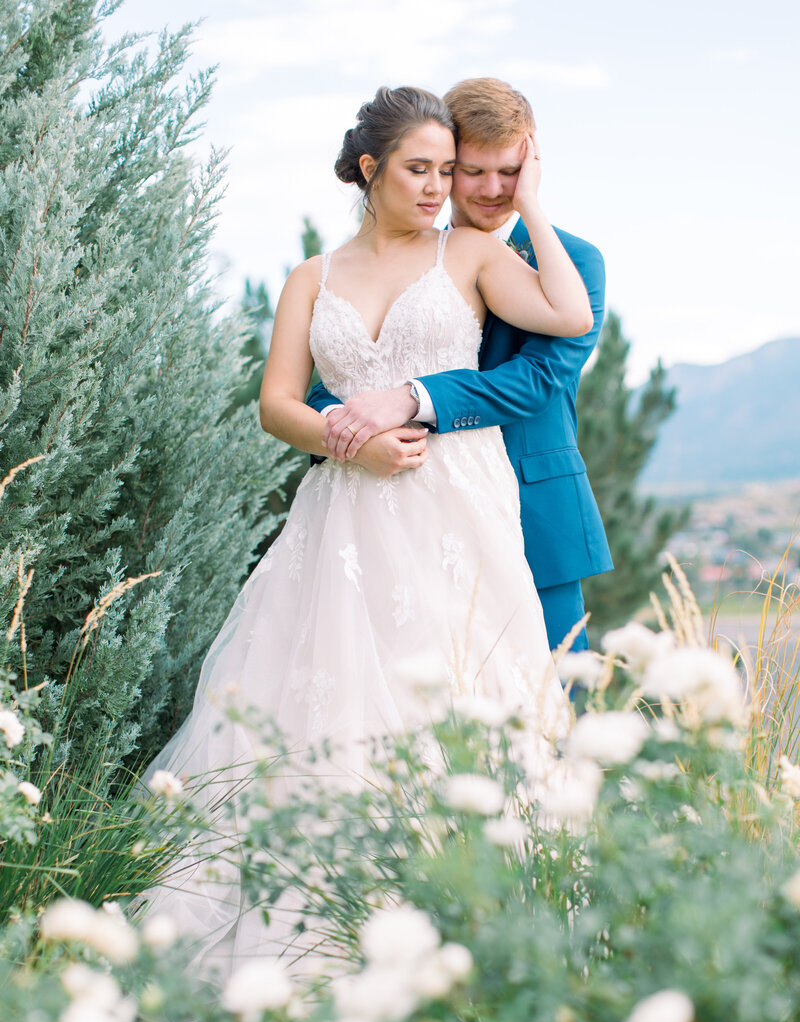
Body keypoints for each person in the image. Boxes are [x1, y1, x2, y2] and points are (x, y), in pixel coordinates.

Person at [142, 85, 592, 976]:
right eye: (421, 169)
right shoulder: (312, 277)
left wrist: (531, 203)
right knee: (324, 694)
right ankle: (320, 926)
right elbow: (275, 403)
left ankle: (485, 920)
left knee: (464, 697)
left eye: (445, 171)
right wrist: (352, 445)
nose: (438, 187)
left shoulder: (470, 253)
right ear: (368, 170)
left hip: (457, 506)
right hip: (343, 510)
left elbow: (570, 318)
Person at [307, 78, 613, 653]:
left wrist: (411, 397)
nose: (493, 189)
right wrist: (350, 426)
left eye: (510, 172)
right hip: (408, 521)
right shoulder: (405, 259)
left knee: (548, 721)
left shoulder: (573, 261)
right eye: (472, 170)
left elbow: (539, 383)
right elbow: (340, 381)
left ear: (531, 161)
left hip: (532, 518)